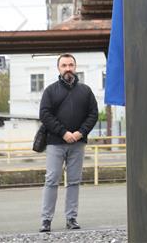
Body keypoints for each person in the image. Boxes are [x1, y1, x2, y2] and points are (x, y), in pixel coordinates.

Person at [38, 53, 99, 233]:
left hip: (78, 143)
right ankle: (46, 220)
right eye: (64, 65)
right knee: (51, 180)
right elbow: (45, 115)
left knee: (74, 182)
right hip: (55, 143)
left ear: (75, 66)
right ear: (58, 68)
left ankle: (71, 218)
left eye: (70, 65)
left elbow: (93, 114)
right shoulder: (50, 91)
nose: (68, 69)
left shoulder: (86, 91)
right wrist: (63, 133)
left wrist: (80, 132)